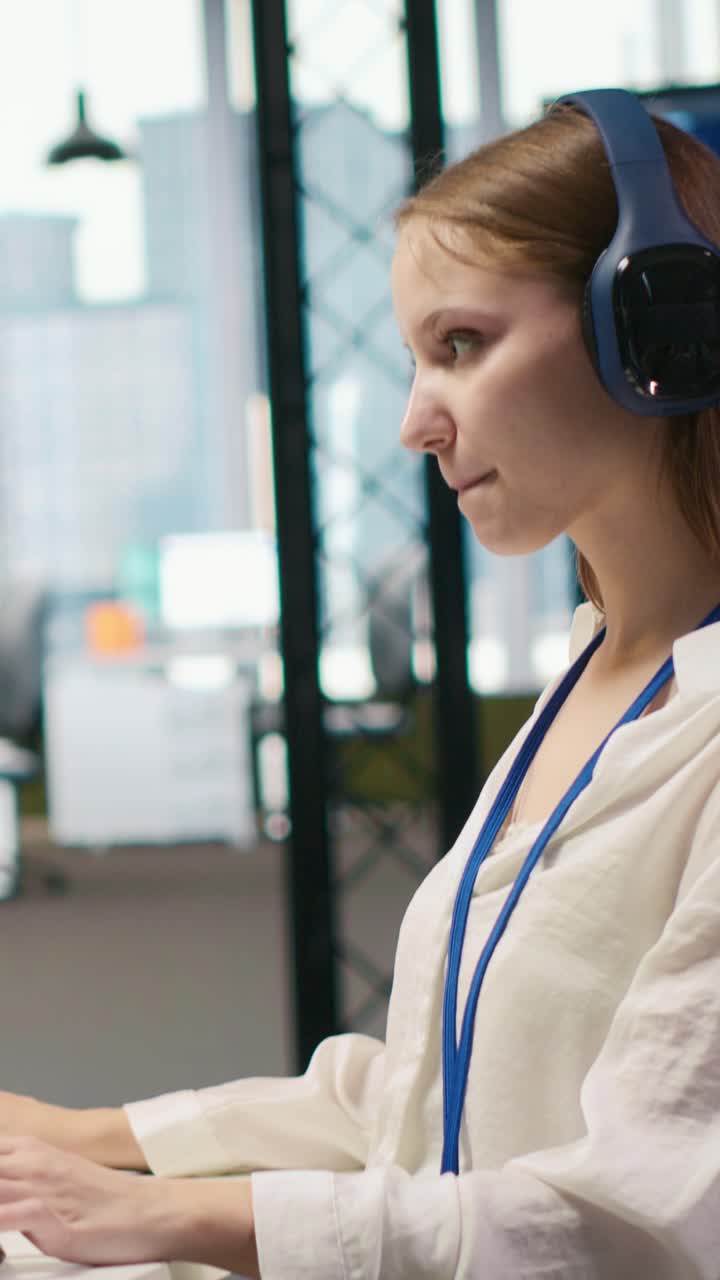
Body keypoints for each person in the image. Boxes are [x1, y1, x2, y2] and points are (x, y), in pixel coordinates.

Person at [1, 89, 720, 1279]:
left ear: (656, 328)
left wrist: (169, 1216)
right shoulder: (601, 672)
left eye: (461, 344)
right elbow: (427, 1092)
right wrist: (92, 1140)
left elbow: (638, 1222)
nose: (415, 422)